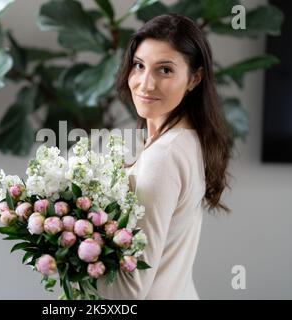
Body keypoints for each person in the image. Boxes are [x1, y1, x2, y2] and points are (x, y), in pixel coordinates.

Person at [96, 13, 232, 300]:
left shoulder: (165, 155)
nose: (145, 84)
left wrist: (58, 258)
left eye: (165, 70)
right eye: (139, 66)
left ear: (194, 78)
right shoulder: (187, 140)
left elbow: (128, 292)